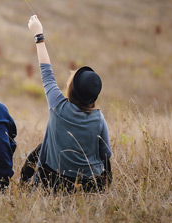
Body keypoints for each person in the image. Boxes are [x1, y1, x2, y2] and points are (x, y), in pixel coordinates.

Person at [20, 15, 112, 192]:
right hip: (88, 187)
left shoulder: (58, 105)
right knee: (46, 142)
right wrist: (106, 185)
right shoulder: (99, 119)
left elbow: (46, 71)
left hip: (52, 183)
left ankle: (24, 180)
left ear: (72, 89)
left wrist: (38, 34)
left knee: (45, 144)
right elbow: (105, 156)